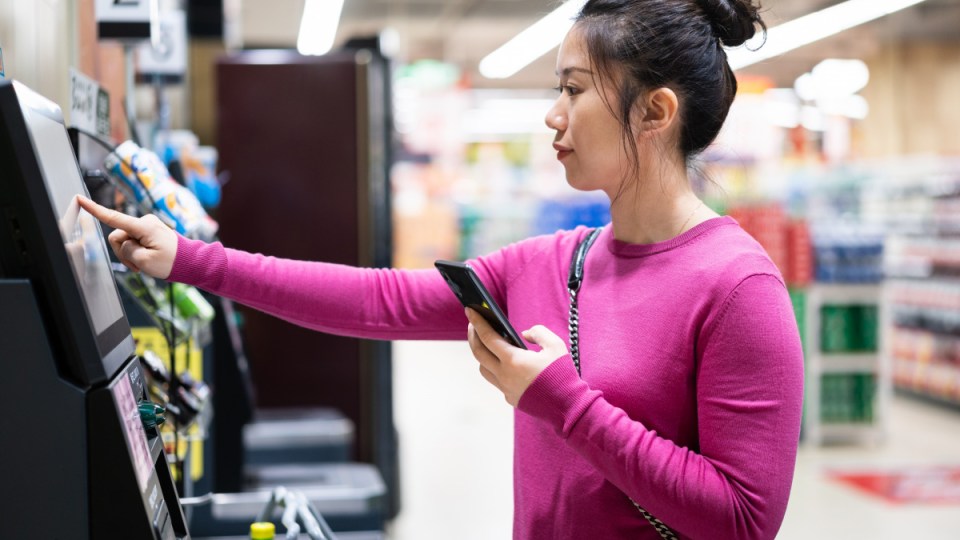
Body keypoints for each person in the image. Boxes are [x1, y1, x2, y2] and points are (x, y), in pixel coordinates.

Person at [80, 0, 803, 538]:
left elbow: (743, 520)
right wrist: (190, 260)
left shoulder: (738, 290)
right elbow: (376, 301)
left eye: (575, 90)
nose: (553, 116)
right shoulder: (557, 262)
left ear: (656, 112)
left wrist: (565, 404)